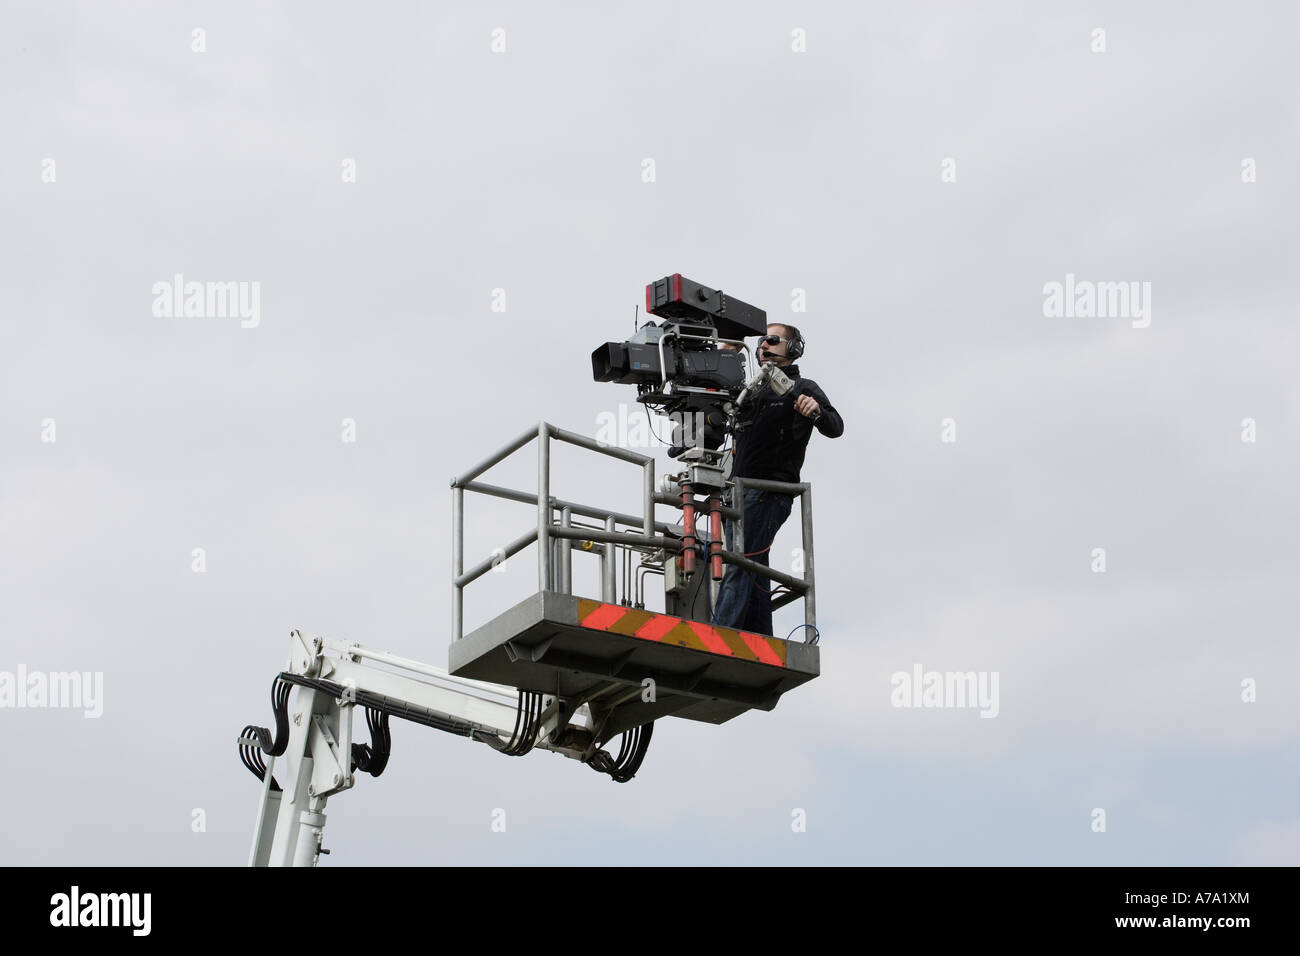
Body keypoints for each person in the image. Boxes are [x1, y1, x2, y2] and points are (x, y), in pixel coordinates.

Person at [710, 324, 843, 636]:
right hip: (737, 493)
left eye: (773, 340)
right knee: (754, 565)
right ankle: (760, 640)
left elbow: (835, 426)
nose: (764, 346)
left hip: (768, 492)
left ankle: (717, 636)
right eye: (761, 341)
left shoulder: (802, 386)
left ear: (793, 348)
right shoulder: (748, 392)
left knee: (741, 561)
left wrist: (815, 411)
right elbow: (713, 429)